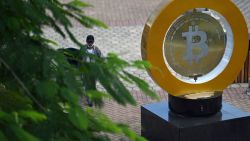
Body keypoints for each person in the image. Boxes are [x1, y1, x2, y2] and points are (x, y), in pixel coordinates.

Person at [81, 35, 102, 106]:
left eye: (91, 42)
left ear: (93, 42)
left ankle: (91, 99)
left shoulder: (96, 49)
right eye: (89, 42)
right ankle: (88, 99)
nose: (90, 43)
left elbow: (101, 58)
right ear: (86, 41)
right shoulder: (83, 48)